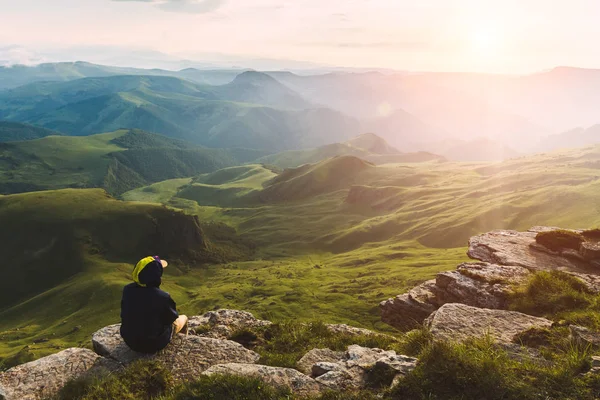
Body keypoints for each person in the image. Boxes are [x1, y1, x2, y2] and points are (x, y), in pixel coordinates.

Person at [120, 256, 188, 353]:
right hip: (154, 344)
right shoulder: (162, 297)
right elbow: (171, 318)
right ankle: (183, 346)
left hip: (130, 342)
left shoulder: (127, 290)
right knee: (184, 318)